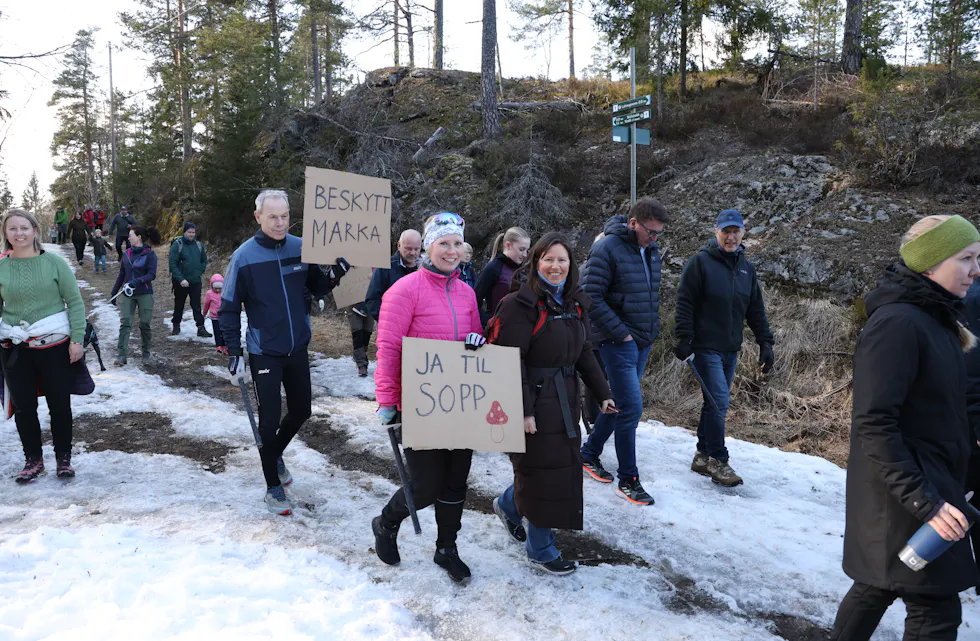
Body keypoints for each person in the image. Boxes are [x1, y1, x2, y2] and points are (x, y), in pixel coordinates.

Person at [830, 214, 980, 641]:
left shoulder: (937, 319)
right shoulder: (898, 324)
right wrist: (926, 502)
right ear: (930, 263)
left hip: (922, 488)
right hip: (906, 497)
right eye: (967, 258)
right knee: (934, 612)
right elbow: (874, 423)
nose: (977, 270)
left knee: (877, 586)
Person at [486, 232, 615, 575]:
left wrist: (602, 393)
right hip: (534, 400)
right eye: (548, 259)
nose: (555, 266)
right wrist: (524, 410)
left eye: (562, 260)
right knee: (543, 471)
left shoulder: (574, 303)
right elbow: (509, 362)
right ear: (535, 262)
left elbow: (584, 351)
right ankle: (540, 549)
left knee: (556, 467)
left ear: (571, 265)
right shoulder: (518, 305)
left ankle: (509, 506)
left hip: (566, 396)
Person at [218, 189, 348, 516]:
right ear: (258, 216)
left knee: (302, 410)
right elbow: (229, 309)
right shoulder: (244, 257)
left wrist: (335, 275)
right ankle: (272, 487)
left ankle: (273, 454)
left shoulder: (302, 247)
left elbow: (316, 287)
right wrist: (234, 352)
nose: (280, 223)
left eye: (285, 216)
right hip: (264, 351)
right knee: (269, 420)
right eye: (273, 217)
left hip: (297, 347)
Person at [371, 212, 483, 584]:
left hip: (461, 404)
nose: (451, 251)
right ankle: (386, 523)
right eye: (443, 244)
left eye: (457, 244)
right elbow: (388, 348)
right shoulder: (404, 290)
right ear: (428, 247)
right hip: (420, 403)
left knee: (455, 481)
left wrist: (476, 344)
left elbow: (478, 340)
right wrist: (387, 400)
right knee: (425, 486)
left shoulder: (467, 293)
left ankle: (446, 547)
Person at [673, 209, 775, 487]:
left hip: (731, 348)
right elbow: (685, 302)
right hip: (705, 347)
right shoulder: (700, 263)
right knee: (719, 401)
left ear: (743, 233)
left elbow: (755, 309)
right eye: (725, 232)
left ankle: (703, 455)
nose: (730, 237)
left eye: (735, 232)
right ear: (716, 232)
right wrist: (683, 337)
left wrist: (765, 342)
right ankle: (719, 458)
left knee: (713, 402)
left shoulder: (746, 269)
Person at [579, 198, 670, 506]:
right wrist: (623, 334)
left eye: (659, 233)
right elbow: (590, 295)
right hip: (617, 342)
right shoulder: (607, 248)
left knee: (617, 404)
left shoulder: (652, 250)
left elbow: (648, 297)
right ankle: (628, 479)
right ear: (633, 223)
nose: (655, 238)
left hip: (641, 341)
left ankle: (589, 453)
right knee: (631, 408)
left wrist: (647, 334)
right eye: (651, 232)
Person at [0, 209, 86, 482]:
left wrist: (77, 340)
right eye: (12, 229)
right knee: (24, 407)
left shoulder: (54, 263)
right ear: (5, 234)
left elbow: (74, 302)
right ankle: (33, 461)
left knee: (59, 404)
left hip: (54, 345)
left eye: (24, 227)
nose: (19, 233)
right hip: (14, 348)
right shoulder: (1, 266)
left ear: (35, 231)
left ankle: (63, 459)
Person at [359, 229, 422, 377]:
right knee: (393, 376)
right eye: (408, 248)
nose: (413, 253)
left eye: (416, 249)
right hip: (392, 335)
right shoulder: (385, 267)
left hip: (420, 335)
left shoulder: (426, 268)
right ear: (399, 245)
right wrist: (389, 323)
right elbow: (372, 299)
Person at [110, 226, 162, 366]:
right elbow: (121, 274)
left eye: (131, 235)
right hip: (127, 294)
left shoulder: (150, 254)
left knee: (145, 324)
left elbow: (152, 275)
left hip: (144, 293)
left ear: (139, 237)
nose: (128, 237)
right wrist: (114, 292)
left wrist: (136, 281)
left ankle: (146, 355)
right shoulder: (126, 253)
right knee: (125, 323)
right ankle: (121, 356)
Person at [475, 227, 530, 323]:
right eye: (521, 249)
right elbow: (474, 300)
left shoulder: (522, 270)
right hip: (497, 331)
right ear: (508, 245)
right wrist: (488, 322)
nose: (525, 254)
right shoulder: (494, 268)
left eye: (527, 250)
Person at [169, 222, 211, 338]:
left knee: (196, 305)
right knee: (179, 304)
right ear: (184, 232)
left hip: (195, 281)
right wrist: (181, 279)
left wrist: (200, 271)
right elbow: (172, 264)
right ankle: (176, 325)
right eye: (189, 232)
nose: (191, 235)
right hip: (180, 282)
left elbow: (204, 260)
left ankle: (201, 328)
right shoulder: (178, 245)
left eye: (193, 232)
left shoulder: (199, 245)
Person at [201, 274, 225, 352]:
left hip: (224, 316)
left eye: (219, 288)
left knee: (224, 331)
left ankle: (224, 345)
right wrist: (203, 313)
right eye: (216, 288)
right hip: (214, 317)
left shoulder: (225, 293)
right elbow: (206, 304)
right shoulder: (209, 294)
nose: (218, 290)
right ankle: (218, 345)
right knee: (217, 331)